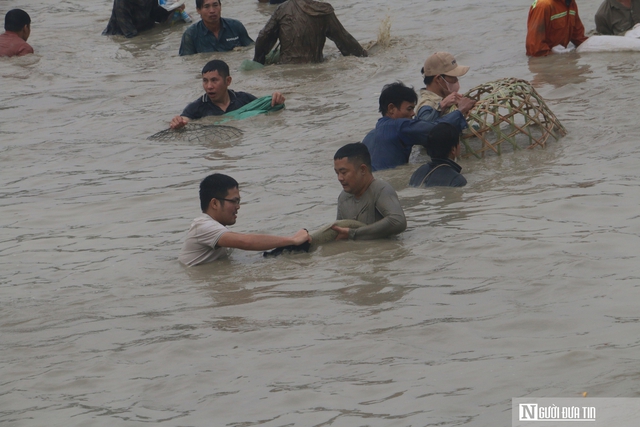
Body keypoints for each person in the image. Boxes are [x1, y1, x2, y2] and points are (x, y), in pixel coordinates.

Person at [179, 173, 310, 266]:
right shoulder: (203, 226)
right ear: (214, 204)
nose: (238, 207)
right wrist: (293, 240)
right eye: (234, 201)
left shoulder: (214, 227)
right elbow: (246, 242)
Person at [362, 82, 468, 172]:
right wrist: (461, 110)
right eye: (409, 109)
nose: (413, 113)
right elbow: (437, 130)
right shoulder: (400, 127)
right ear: (391, 108)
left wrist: (441, 106)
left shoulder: (369, 136)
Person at [170, 59, 285, 129]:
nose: (209, 86)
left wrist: (276, 99)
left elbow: (263, 108)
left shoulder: (244, 99)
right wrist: (177, 123)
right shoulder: (197, 107)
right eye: (205, 81)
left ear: (228, 81)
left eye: (214, 80)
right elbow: (185, 120)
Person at [328, 143, 406, 241]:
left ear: (362, 169)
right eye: (337, 173)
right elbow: (340, 234)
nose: (339, 178)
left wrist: (354, 234)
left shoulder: (380, 190)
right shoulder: (343, 198)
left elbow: (398, 221)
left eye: (344, 172)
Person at [253, 0, 367, 64]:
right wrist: (365, 55)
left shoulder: (283, 8)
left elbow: (263, 37)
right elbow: (347, 43)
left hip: (285, 71)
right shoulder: (324, 12)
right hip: (315, 68)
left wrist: (258, 61)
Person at [416, 52, 476, 125]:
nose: (456, 80)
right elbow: (424, 127)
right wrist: (459, 110)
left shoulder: (445, 98)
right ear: (438, 79)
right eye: (453, 77)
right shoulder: (427, 105)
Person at [179, 0, 253, 56]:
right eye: (206, 7)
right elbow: (187, 62)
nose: (212, 11)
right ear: (198, 10)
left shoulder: (236, 26)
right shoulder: (190, 35)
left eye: (215, 5)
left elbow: (251, 48)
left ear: (220, 6)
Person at [409, 123, 467, 188]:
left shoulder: (418, 172)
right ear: (453, 149)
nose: (460, 146)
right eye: (459, 143)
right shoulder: (457, 180)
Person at [103, 0, 180, 38]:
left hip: (145, 32)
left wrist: (174, 9)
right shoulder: (122, 3)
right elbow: (129, 34)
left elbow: (157, 16)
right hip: (118, 35)